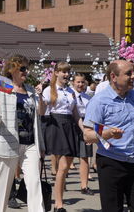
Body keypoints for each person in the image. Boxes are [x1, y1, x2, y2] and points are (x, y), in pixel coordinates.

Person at [83, 60, 134, 212]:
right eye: (128, 73)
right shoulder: (99, 101)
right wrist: (107, 134)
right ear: (113, 77)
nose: (133, 76)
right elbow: (87, 136)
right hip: (112, 162)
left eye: (133, 72)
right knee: (113, 209)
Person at [0, 55, 45, 212]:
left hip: (30, 144)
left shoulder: (30, 90)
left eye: (27, 68)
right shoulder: (1, 89)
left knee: (34, 183)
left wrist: (40, 97)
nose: (26, 71)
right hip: (9, 143)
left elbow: (39, 116)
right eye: (22, 68)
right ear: (12, 69)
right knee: (3, 187)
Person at [39, 61, 82, 212]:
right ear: (56, 73)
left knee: (64, 168)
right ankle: (59, 203)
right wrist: (39, 97)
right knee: (63, 166)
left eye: (68, 71)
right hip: (55, 125)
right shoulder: (48, 90)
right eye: (63, 71)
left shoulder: (71, 91)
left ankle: (58, 202)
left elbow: (76, 113)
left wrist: (83, 129)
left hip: (70, 125)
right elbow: (41, 111)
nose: (66, 74)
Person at [71, 73, 94, 195]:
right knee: (67, 156)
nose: (80, 84)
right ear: (73, 83)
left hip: (85, 124)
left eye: (82, 82)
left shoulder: (88, 98)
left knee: (84, 156)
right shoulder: (69, 95)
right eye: (78, 82)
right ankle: (62, 181)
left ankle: (84, 185)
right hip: (71, 124)